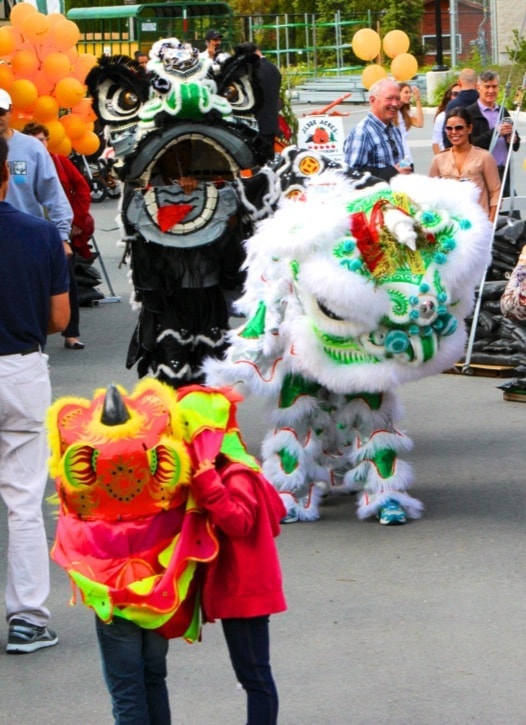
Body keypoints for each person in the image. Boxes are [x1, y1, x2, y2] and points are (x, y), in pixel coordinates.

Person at [48, 381, 286, 724]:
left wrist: (206, 483)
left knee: (133, 691)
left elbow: (238, 522)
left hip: (142, 596)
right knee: (154, 679)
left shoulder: (229, 473)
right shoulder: (181, 475)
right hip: (162, 595)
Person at [0, 135, 70, 653]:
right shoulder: (40, 234)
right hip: (19, 368)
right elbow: (60, 318)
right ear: (7, 176)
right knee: (23, 502)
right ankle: (26, 617)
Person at [0, 90, 78, 349]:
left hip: (24, 242)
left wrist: (63, 237)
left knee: (25, 303)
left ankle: (29, 350)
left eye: (1, 112)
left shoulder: (31, 147)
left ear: (10, 111)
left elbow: (53, 194)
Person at [23, 122, 92, 350]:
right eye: (34, 139)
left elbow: (81, 188)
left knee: (66, 282)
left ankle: (71, 334)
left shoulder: (59, 161)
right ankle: (31, 339)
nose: (39, 144)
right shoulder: (21, 161)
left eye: (42, 139)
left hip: (56, 233)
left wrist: (77, 222)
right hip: (28, 233)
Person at [429, 106, 501, 222]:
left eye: (459, 128)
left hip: (478, 224)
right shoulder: (438, 159)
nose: (454, 132)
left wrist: (490, 223)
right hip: (449, 227)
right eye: (449, 128)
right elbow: (431, 196)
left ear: (469, 128)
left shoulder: (484, 157)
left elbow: (495, 192)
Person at [343, 77, 411, 181]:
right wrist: (391, 173)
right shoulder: (362, 133)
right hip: (375, 197)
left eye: (397, 99)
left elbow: (397, 164)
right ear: (372, 100)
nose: (395, 104)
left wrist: (406, 168)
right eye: (389, 98)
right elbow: (351, 176)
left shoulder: (395, 131)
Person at [466, 70, 521, 198]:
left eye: (494, 86)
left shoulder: (502, 111)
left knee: (512, 214)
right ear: (478, 87)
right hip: (481, 174)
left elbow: (515, 143)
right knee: (488, 215)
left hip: (504, 172)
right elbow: (470, 145)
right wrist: (495, 133)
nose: (491, 91)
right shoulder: (470, 113)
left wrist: (514, 139)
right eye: (487, 86)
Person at [234, 41, 282, 161]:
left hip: (257, 123)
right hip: (272, 121)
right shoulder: (273, 68)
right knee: (269, 159)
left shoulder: (253, 71)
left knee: (258, 161)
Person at [442, 68, 479, 148]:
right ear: (476, 83)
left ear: (459, 82)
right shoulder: (481, 102)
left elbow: (446, 132)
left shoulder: (452, 105)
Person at [394, 82, 424, 170]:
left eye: (410, 92)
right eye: (406, 92)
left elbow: (419, 123)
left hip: (407, 158)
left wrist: (418, 100)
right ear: (398, 93)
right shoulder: (391, 112)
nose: (409, 95)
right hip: (396, 159)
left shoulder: (405, 112)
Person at [432, 82, 460, 154]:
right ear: (449, 96)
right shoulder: (442, 117)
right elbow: (435, 143)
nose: (458, 97)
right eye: (455, 94)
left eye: (461, 94)